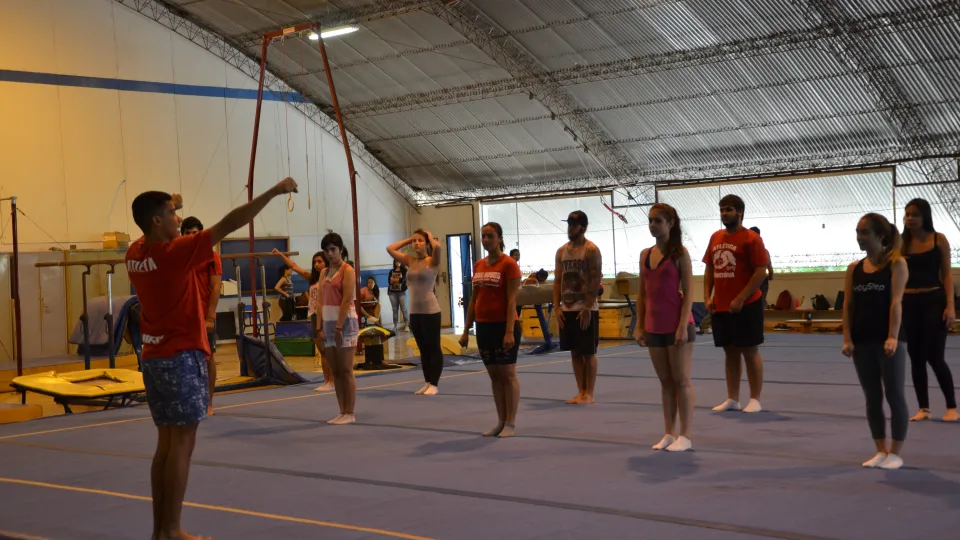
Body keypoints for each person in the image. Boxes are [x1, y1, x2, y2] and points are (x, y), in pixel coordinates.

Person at [127, 177, 297, 540]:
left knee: (166, 444)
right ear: (157, 221)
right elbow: (231, 222)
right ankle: (172, 530)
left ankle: (161, 530)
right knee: (183, 445)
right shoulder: (175, 253)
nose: (178, 217)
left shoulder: (135, 253)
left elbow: (151, 222)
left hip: (154, 357)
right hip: (181, 355)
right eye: (173, 214)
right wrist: (273, 192)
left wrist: (167, 203)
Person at [842, 213, 909, 469]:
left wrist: (892, 335)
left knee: (894, 395)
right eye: (857, 232)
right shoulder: (853, 269)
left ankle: (896, 452)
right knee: (872, 396)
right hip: (862, 340)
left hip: (888, 340)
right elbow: (848, 305)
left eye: (864, 233)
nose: (859, 237)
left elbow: (896, 302)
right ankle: (880, 449)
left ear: (880, 236)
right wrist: (847, 338)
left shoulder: (897, 264)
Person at [635, 204, 695, 452]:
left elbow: (690, 293)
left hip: (678, 325)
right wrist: (639, 325)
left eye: (657, 221)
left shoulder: (680, 254)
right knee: (665, 382)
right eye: (650, 221)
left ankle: (686, 435)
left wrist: (682, 326)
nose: (652, 225)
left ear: (671, 224)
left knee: (681, 380)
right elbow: (641, 293)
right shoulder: (644, 254)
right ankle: (669, 432)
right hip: (654, 326)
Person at [703, 195, 768, 413]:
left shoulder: (751, 239)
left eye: (728, 210)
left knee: (749, 351)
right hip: (721, 305)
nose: (724, 214)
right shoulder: (715, 237)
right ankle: (732, 398)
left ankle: (755, 399)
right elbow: (710, 268)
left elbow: (761, 272)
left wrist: (741, 297)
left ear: (739, 212)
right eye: (721, 210)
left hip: (747, 304)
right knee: (729, 353)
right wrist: (707, 296)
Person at [460, 223, 522, 437]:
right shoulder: (478, 264)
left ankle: (511, 423)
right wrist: (466, 330)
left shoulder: (509, 264)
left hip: (503, 325)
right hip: (483, 326)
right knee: (495, 376)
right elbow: (473, 300)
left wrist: (509, 331)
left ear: (499, 238)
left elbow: (512, 300)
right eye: (483, 236)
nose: (485, 240)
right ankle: (500, 420)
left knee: (507, 374)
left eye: (490, 236)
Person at [901, 198, 957, 422]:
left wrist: (951, 306)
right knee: (915, 357)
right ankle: (924, 407)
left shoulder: (938, 239)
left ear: (925, 217)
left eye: (914, 214)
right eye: (907, 214)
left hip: (934, 300)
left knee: (935, 356)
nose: (910, 218)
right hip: (909, 303)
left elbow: (947, 274)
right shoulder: (900, 244)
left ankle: (951, 406)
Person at [553, 210, 602, 405]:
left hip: (585, 307)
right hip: (567, 307)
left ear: (583, 227)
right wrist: (556, 307)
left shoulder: (591, 250)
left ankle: (589, 392)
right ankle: (580, 391)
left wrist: (588, 306)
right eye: (569, 225)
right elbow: (557, 281)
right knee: (574, 351)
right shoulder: (561, 251)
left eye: (574, 225)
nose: (570, 228)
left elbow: (595, 279)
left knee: (588, 352)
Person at [387, 230, 443, 395]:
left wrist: (430, 237)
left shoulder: (432, 261)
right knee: (423, 348)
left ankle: (434, 383)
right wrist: (408, 240)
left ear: (426, 243)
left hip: (431, 310)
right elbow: (390, 249)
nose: (416, 243)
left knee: (433, 348)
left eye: (420, 240)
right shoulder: (410, 261)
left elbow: (438, 246)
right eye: (414, 241)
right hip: (415, 312)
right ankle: (427, 381)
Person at [270, 249, 334, 388]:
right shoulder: (311, 278)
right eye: (315, 262)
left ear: (326, 263)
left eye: (320, 261)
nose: (317, 264)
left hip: (326, 314)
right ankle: (327, 381)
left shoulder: (331, 278)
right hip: (313, 314)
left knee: (330, 350)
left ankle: (333, 380)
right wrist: (281, 255)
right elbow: (293, 266)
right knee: (322, 351)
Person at [180, 217, 222, 417]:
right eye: (187, 233)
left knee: (208, 357)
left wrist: (210, 316)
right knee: (184, 358)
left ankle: (209, 401)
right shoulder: (178, 256)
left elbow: (215, 287)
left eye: (194, 233)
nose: (190, 236)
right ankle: (190, 399)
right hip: (183, 314)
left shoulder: (211, 256)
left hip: (204, 313)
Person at [316, 233, 359, 424]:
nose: (330, 254)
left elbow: (346, 299)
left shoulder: (347, 270)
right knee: (336, 372)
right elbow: (319, 302)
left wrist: (340, 327)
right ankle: (341, 410)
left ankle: (350, 412)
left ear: (340, 250)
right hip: (328, 324)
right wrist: (319, 328)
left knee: (345, 369)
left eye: (333, 250)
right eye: (327, 251)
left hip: (345, 324)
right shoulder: (323, 272)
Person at [748, 226, 774, 309]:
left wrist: (770, 275)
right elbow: (769, 267)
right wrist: (770, 276)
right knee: (759, 302)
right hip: (759, 279)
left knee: (755, 301)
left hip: (756, 279)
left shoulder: (761, 250)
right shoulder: (764, 250)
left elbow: (769, 267)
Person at [387, 260, 408, 331]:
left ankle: (406, 326)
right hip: (392, 292)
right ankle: (395, 326)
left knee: (404, 309)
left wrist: (394, 280)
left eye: (399, 260)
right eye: (396, 260)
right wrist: (397, 279)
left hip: (402, 292)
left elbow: (402, 280)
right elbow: (389, 282)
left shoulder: (404, 270)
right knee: (395, 309)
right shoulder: (391, 271)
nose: (398, 262)